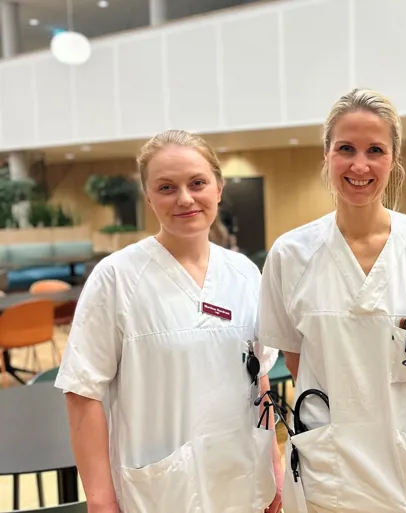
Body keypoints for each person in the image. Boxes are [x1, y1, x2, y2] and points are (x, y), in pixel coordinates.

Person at [259, 88, 406, 513]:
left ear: (393, 159)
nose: (360, 165)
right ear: (327, 155)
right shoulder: (290, 254)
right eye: (346, 149)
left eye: (375, 150)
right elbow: (297, 357)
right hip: (334, 467)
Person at [54, 130, 283, 513]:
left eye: (197, 183)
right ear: (148, 197)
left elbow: (257, 376)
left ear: (219, 188)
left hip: (241, 481)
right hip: (160, 491)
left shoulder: (244, 273)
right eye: (166, 187)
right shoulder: (117, 277)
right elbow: (82, 393)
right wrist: (100, 500)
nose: (185, 198)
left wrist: (272, 461)